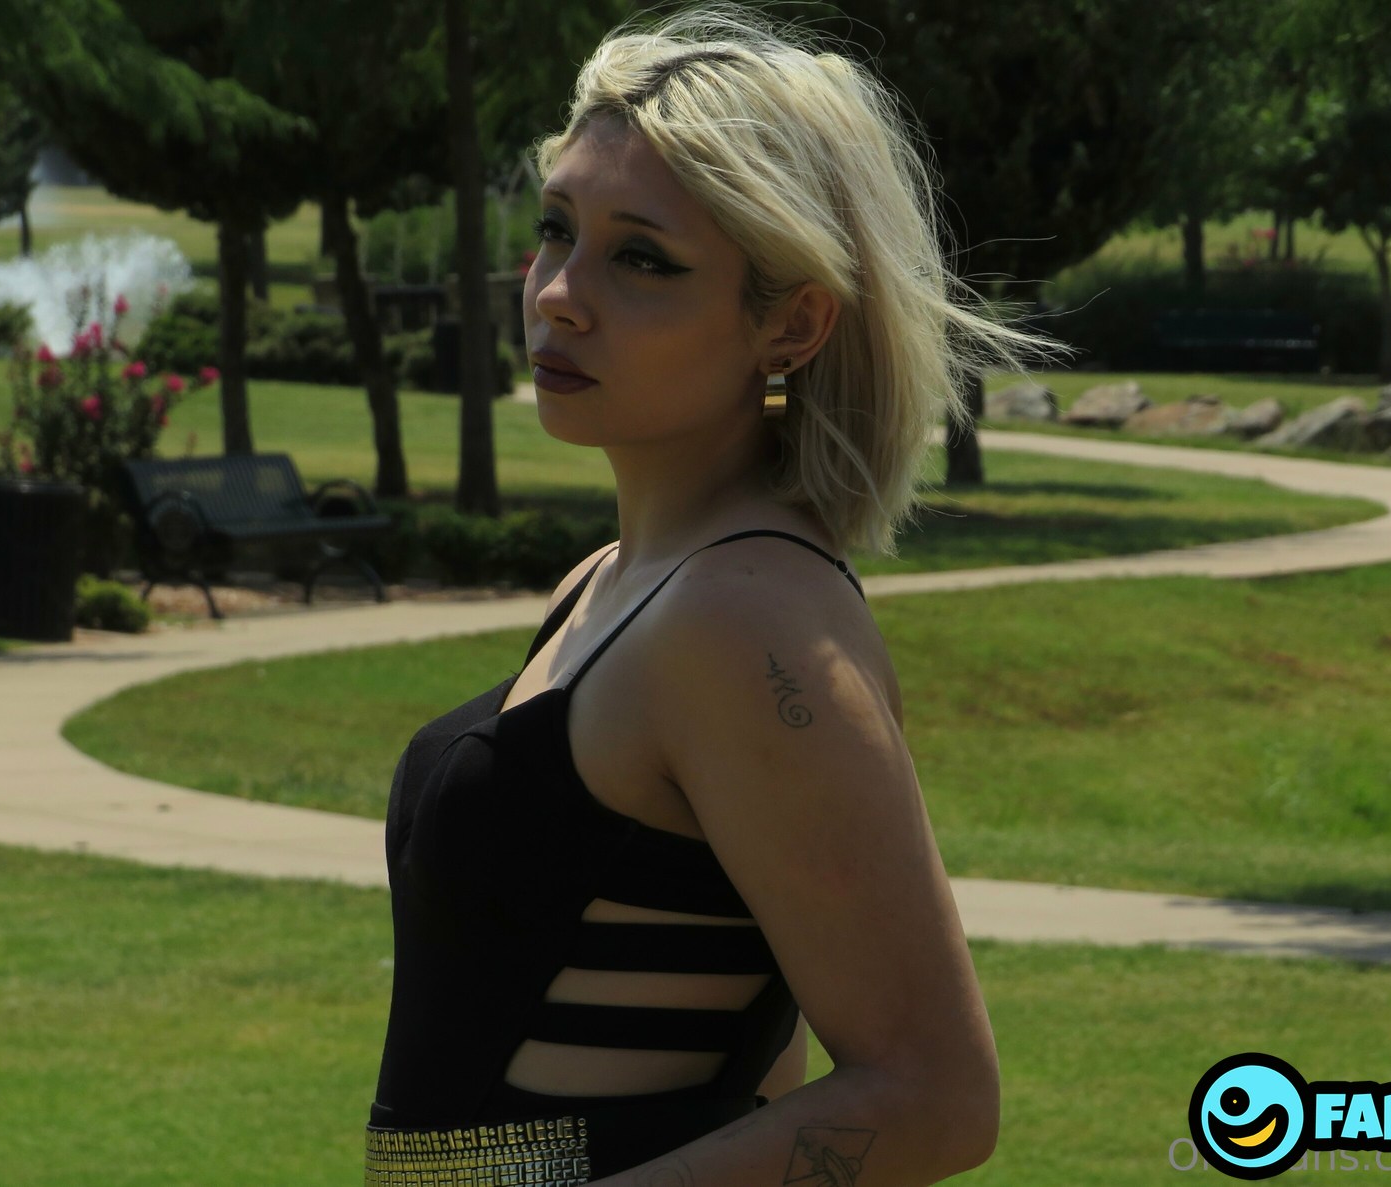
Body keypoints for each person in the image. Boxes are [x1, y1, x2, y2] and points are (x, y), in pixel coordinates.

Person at [364, 6, 1067, 1185]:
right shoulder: (615, 582)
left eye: (642, 258)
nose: (558, 293)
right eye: (556, 229)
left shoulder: (742, 621)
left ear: (790, 323)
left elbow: (937, 1096)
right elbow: (752, 1062)